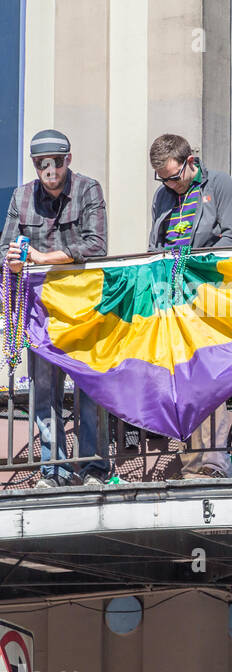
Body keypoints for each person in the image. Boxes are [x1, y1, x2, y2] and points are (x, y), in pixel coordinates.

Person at [2, 129, 111, 488]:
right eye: (41, 165)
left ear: (68, 160)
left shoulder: (88, 189)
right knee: (44, 392)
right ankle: (55, 472)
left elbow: (96, 246)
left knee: (88, 388)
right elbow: (4, 250)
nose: (50, 171)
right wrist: (14, 260)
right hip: (40, 313)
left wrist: (44, 258)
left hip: (83, 308)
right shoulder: (21, 196)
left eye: (56, 163)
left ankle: (95, 469)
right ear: (34, 165)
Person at [147, 133, 232, 479]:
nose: (169, 185)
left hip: (208, 299)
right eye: (163, 179)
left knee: (211, 380)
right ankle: (191, 463)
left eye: (174, 177)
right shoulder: (163, 196)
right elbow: (154, 244)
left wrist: (194, 261)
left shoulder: (220, 185)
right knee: (184, 382)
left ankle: (215, 462)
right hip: (173, 301)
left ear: (191, 162)